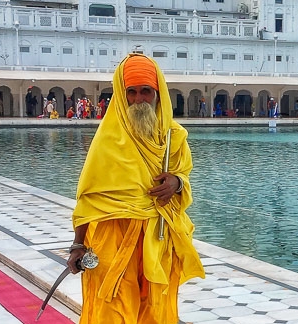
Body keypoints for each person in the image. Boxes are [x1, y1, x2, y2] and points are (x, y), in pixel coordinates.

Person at [68, 54, 204, 324]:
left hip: (157, 235)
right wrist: (78, 244)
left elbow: (184, 175)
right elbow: (88, 197)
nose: (139, 99)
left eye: (146, 91)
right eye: (132, 92)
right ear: (122, 93)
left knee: (153, 308)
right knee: (112, 309)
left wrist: (176, 183)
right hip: (113, 236)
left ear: (158, 93)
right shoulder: (109, 139)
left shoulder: (173, 137)